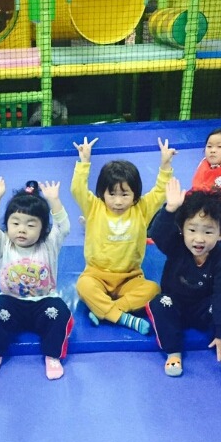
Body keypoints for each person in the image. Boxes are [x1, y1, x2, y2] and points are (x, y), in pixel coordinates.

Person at [70, 136, 176, 334]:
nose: (118, 201)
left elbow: (160, 192)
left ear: (135, 194)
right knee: (83, 286)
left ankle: (106, 311)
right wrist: (84, 162)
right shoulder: (94, 207)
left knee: (153, 289)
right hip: (96, 274)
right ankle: (124, 318)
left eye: (125, 194)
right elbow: (77, 190)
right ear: (102, 193)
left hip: (130, 277)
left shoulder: (141, 209)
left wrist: (165, 164)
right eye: (112, 194)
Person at [0, 178, 73, 380]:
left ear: (43, 229)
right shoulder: (3, 243)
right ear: (7, 225)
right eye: (15, 223)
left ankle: (52, 355)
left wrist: (54, 201)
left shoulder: (49, 244)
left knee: (60, 312)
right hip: (11, 302)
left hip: (43, 302)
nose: (22, 230)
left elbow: (63, 227)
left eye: (31, 225)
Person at [145, 178, 221, 377]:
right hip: (175, 303)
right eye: (192, 230)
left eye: (208, 232)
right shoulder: (176, 246)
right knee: (160, 303)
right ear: (181, 229)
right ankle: (173, 352)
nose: (199, 239)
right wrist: (170, 209)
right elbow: (157, 234)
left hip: (204, 307)